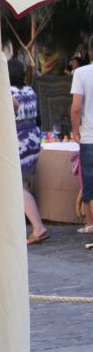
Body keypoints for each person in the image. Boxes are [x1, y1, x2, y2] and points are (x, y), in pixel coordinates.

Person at [8, 58, 49, 245]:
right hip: (33, 142)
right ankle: (29, 227)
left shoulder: (10, 93)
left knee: (17, 187)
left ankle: (38, 227)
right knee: (22, 185)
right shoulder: (30, 91)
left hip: (19, 144)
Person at [71, 35, 93, 250]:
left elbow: (76, 107)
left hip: (90, 137)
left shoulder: (81, 73)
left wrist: (75, 130)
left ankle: (91, 223)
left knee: (91, 185)